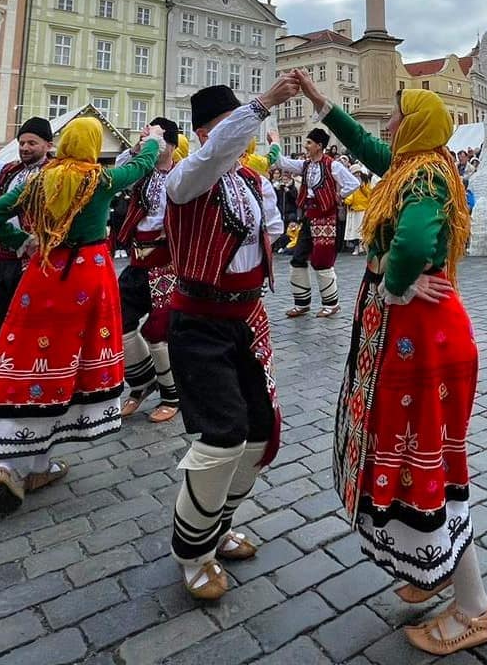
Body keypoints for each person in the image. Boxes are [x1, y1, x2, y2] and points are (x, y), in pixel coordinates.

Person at [294, 68, 487, 657]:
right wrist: (318, 100)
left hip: (420, 329)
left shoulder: (426, 176)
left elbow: (411, 243)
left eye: (396, 113)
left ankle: (473, 606)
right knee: (414, 451)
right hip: (412, 329)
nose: (386, 121)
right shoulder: (411, 166)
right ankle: (426, 559)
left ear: (415, 124)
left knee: (429, 457)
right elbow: (364, 144)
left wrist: (399, 285)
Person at [0, 117, 162, 513]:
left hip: (42, 275)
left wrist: (24, 240)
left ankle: (17, 463)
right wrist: (152, 140)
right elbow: (141, 166)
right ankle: (36, 462)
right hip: (85, 278)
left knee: (30, 357)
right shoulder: (97, 179)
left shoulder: (37, 179)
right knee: (67, 363)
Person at [163, 76, 297, 601]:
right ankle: (191, 551)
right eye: (227, 126)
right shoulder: (187, 177)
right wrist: (264, 105)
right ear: (203, 134)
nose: (240, 135)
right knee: (222, 436)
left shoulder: (244, 180)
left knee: (259, 432)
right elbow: (214, 156)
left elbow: (265, 229)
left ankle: (217, 527)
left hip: (243, 319)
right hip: (199, 323)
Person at [116, 118, 188, 424]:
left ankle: (173, 395)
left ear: (170, 145)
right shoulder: (140, 170)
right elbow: (118, 174)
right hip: (137, 262)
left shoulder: (183, 174)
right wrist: (140, 146)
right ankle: (142, 383)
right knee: (120, 322)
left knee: (159, 332)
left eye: (157, 137)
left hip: (167, 265)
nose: (150, 140)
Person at [0, 117, 54, 360]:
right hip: (1, 257)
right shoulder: (9, 169)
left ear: (48, 145)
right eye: (22, 142)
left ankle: (23, 375)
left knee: (26, 321)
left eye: (32, 143)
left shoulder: (56, 174)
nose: (24, 147)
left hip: (33, 259)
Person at [269, 129, 359, 318]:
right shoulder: (305, 165)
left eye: (309, 143)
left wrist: (338, 196)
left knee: (322, 261)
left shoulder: (332, 166)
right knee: (298, 257)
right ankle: (302, 303)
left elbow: (353, 183)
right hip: (310, 217)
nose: (306, 146)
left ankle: (331, 304)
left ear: (319, 146)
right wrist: (275, 142)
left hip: (326, 217)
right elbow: (280, 161)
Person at [343, 167, 372, 252]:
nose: (356, 175)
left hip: (363, 208)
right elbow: (350, 194)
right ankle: (356, 247)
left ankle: (361, 246)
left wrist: (362, 187)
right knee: (354, 231)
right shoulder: (350, 182)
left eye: (357, 173)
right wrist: (346, 201)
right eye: (354, 173)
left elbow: (369, 194)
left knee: (361, 229)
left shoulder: (366, 182)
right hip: (354, 208)